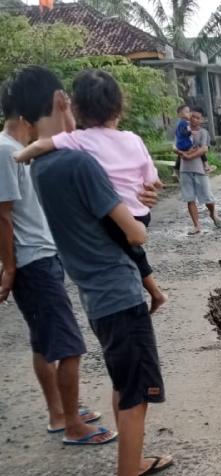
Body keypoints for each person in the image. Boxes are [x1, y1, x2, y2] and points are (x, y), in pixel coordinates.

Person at [8, 66, 179, 476]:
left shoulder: (46, 164)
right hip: (117, 291)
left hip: (95, 289)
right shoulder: (80, 162)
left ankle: (134, 461)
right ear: (62, 102)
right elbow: (134, 232)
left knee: (124, 384)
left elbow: (103, 211)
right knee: (136, 394)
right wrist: (141, 212)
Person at [1, 80, 115, 445]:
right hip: (32, 261)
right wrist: (11, 267)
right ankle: (71, 425)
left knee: (44, 342)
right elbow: (2, 216)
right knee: (69, 345)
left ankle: (61, 411)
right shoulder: (6, 151)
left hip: (38, 257)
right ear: (29, 114)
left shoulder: (19, 149)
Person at [13, 69, 167, 313]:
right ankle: (156, 291)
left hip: (117, 221)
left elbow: (44, 144)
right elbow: (152, 180)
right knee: (134, 249)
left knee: (132, 246)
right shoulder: (133, 138)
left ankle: (155, 291)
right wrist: (146, 188)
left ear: (77, 108)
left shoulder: (79, 142)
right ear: (119, 107)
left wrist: (21, 154)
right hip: (139, 212)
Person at [177, 106, 219, 235]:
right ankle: (197, 225)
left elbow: (204, 149)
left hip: (200, 169)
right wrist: (180, 152)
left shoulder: (203, 132)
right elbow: (175, 146)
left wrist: (189, 155)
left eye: (197, 118)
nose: (194, 119)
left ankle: (213, 214)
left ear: (201, 120)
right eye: (192, 116)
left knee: (207, 197)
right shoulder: (181, 130)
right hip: (185, 169)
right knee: (190, 199)